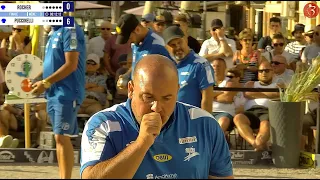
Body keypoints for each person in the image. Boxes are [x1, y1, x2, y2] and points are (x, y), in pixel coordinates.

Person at [80, 54, 233, 179]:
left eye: (167, 98)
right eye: (148, 97)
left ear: (177, 91)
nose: (156, 108)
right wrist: (141, 144)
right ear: (131, 89)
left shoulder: (204, 124)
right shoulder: (104, 124)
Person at [30, 22, 86, 179]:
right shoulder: (53, 32)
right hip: (54, 92)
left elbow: (71, 64)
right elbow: (53, 63)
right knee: (58, 137)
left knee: (62, 137)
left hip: (67, 92)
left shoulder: (71, 30)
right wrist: (39, 78)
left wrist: (46, 82)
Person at [162, 26, 215, 112]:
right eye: (173, 45)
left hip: (192, 121)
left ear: (186, 40)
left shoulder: (201, 64)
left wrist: (205, 123)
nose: (178, 47)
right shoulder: (166, 65)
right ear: (166, 48)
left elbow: (207, 100)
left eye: (179, 42)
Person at [115, 14, 172, 88]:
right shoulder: (137, 42)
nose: (129, 42)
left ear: (137, 30)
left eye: (129, 38)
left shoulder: (157, 45)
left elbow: (169, 73)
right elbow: (138, 64)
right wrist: (127, 75)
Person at [233, 61, 280, 151]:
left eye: (266, 71)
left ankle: (258, 145)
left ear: (272, 72)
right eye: (261, 71)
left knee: (265, 124)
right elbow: (247, 94)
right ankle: (255, 144)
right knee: (238, 118)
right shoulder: (251, 84)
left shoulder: (278, 85)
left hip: (267, 111)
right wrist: (269, 94)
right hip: (250, 112)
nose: (263, 73)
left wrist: (256, 93)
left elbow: (277, 94)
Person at [211, 58, 241, 134]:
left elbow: (227, 98)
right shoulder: (207, 81)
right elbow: (202, 95)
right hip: (208, 111)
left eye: (218, 66)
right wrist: (222, 92)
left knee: (224, 120)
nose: (215, 68)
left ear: (225, 68)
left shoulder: (230, 82)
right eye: (214, 66)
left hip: (224, 113)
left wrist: (210, 96)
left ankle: (214, 143)